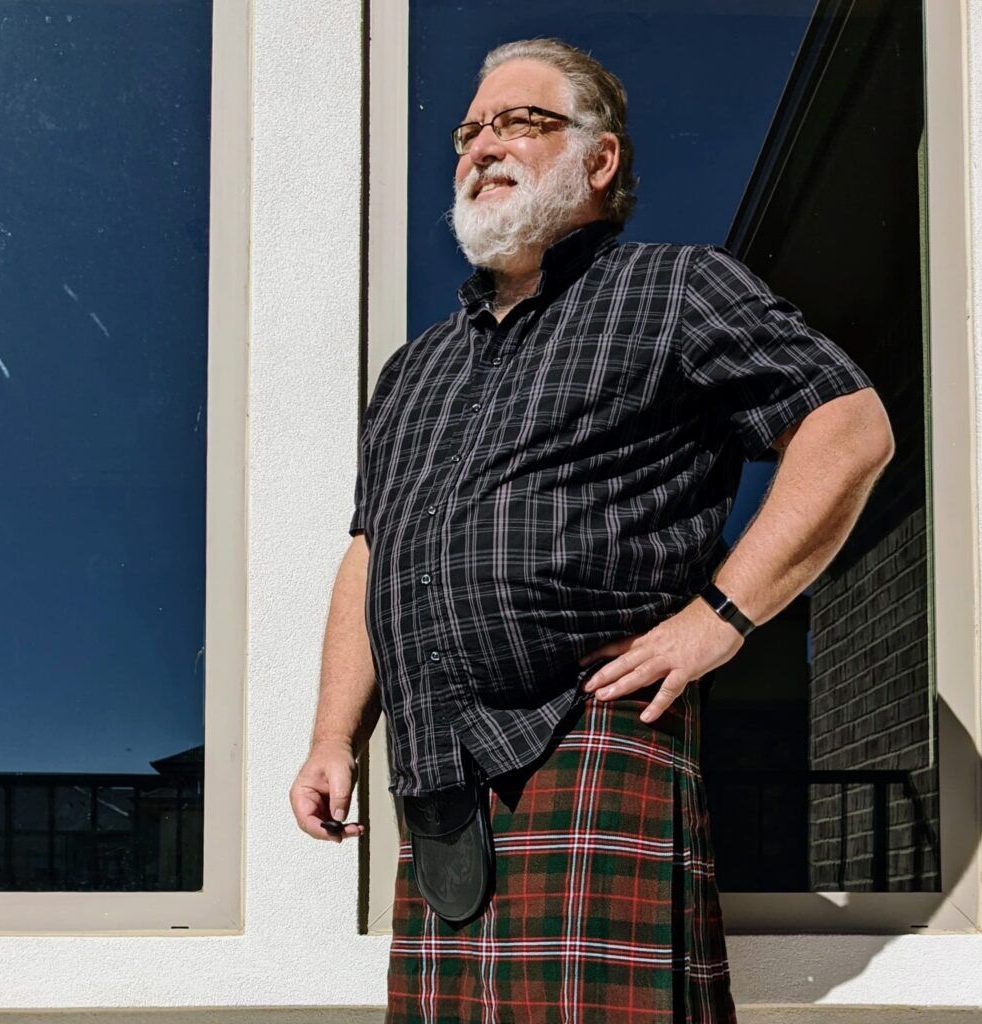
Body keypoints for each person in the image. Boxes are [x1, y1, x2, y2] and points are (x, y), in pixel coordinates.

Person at [290, 36, 894, 1023]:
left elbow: (849, 426)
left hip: (591, 737)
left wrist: (718, 620)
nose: (483, 145)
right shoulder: (413, 370)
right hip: (439, 780)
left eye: (519, 122)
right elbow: (374, 551)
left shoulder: (675, 289)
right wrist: (331, 736)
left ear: (598, 159)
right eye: (468, 130)